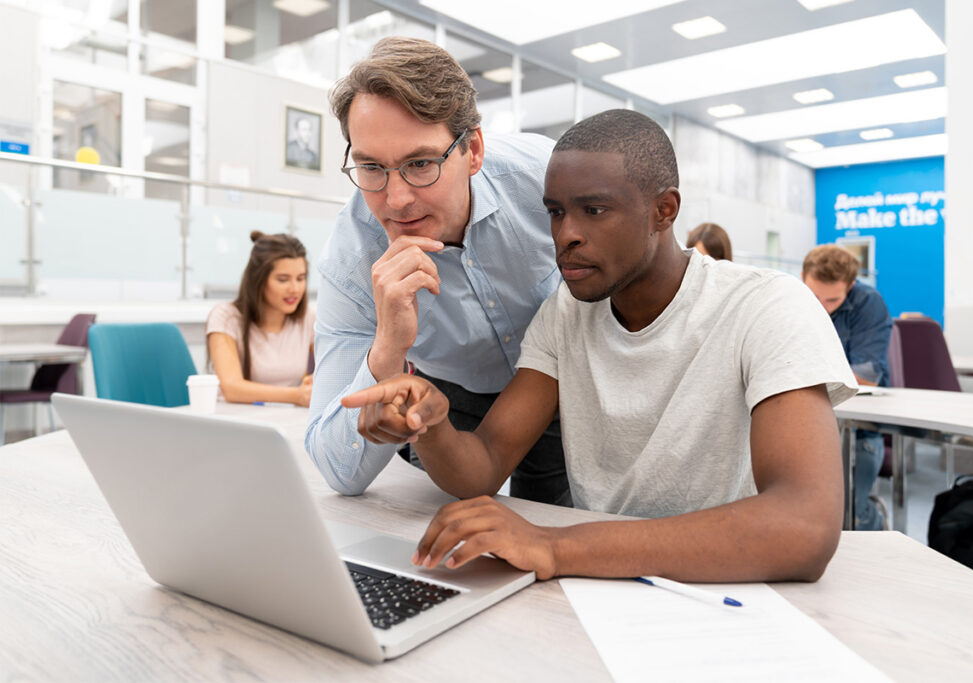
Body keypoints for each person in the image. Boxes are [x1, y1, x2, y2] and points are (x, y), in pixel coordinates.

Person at [341, 110, 859, 583]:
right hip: (603, 592)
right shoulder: (565, 314)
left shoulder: (767, 306)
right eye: (555, 212)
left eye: (593, 210)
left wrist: (557, 547)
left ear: (663, 210)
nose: (565, 235)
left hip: (738, 597)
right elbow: (484, 463)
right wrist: (430, 427)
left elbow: (803, 528)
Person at [304, 37, 570, 505]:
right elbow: (338, 470)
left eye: (421, 163)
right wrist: (387, 349)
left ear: (473, 150)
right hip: (449, 394)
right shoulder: (353, 258)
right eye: (371, 168)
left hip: (560, 383)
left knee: (558, 517)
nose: (397, 199)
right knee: (445, 526)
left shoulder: (545, 177)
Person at [802, 244, 893, 530]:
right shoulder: (791, 297)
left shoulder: (869, 303)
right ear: (803, 278)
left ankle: (872, 519)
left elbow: (866, 375)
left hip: (859, 428)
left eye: (832, 300)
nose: (821, 308)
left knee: (846, 514)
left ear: (851, 286)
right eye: (814, 296)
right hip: (806, 419)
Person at [206, 231, 315, 406]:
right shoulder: (225, 317)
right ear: (259, 280)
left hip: (284, 416)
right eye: (283, 280)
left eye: (300, 278)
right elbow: (231, 387)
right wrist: (296, 395)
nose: (295, 289)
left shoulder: (309, 319)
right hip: (233, 418)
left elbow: (331, 373)